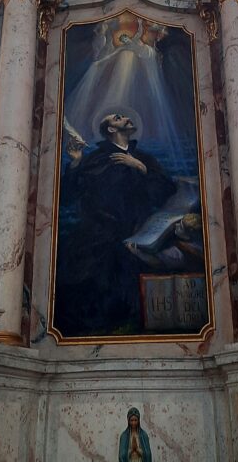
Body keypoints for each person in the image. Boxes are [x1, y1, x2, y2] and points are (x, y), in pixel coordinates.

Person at [54, 112, 176, 336]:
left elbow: (166, 192)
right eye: (119, 118)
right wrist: (76, 162)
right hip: (100, 232)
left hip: (139, 230)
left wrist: (140, 168)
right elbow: (67, 197)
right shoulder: (94, 159)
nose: (127, 118)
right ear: (111, 129)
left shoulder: (144, 158)